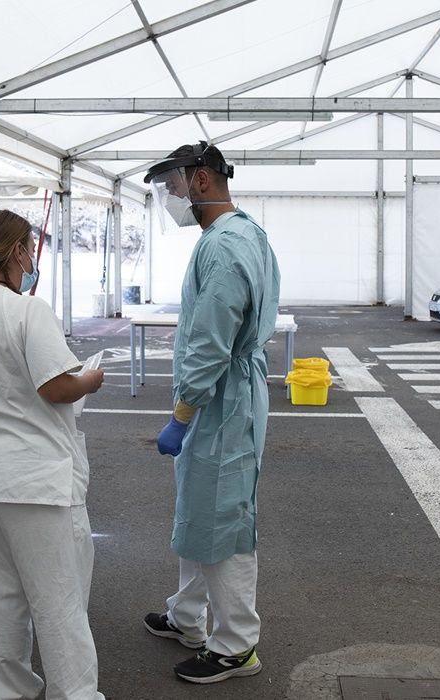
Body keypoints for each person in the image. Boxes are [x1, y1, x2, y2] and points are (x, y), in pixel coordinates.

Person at [0, 210, 106, 699]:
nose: (34, 255)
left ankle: (10, 692)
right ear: (18, 251)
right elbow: (58, 387)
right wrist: (92, 379)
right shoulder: (28, 310)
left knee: (0, 601)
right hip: (34, 481)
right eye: (31, 246)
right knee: (59, 602)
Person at [140, 142, 280, 684]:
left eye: (173, 184)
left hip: (222, 401)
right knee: (203, 508)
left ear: (200, 180)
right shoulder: (243, 232)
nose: (170, 196)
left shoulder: (222, 246)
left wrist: (182, 412)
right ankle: (187, 616)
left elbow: (210, 343)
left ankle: (236, 645)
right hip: (227, 397)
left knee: (225, 519)